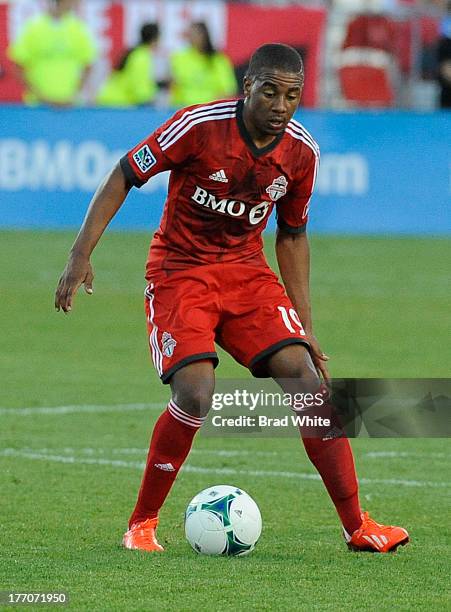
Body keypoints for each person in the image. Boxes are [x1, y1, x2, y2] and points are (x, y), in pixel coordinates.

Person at [55, 43, 409, 554]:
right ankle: (142, 525)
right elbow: (124, 174)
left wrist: (304, 327)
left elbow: (291, 236)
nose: (281, 105)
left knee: (309, 384)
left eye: (292, 95)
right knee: (196, 394)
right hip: (181, 272)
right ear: (248, 88)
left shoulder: (301, 152)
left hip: (247, 274)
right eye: (270, 91)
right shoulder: (199, 126)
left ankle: (358, 526)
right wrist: (79, 254)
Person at [7, 0, 96, 107]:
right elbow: (18, 66)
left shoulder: (78, 28)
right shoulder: (34, 28)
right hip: (38, 106)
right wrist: (39, 95)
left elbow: (89, 65)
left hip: (70, 105)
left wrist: (75, 94)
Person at [170, 22, 237, 107]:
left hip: (210, 112)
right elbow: (173, 86)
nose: (192, 38)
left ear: (205, 36)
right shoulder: (179, 58)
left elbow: (229, 89)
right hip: (184, 110)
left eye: (195, 34)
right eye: (190, 35)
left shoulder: (218, 60)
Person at [96, 23, 160, 108]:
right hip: (118, 104)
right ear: (154, 40)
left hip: (111, 100)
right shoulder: (141, 57)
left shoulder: (134, 52)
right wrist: (148, 101)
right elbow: (138, 85)